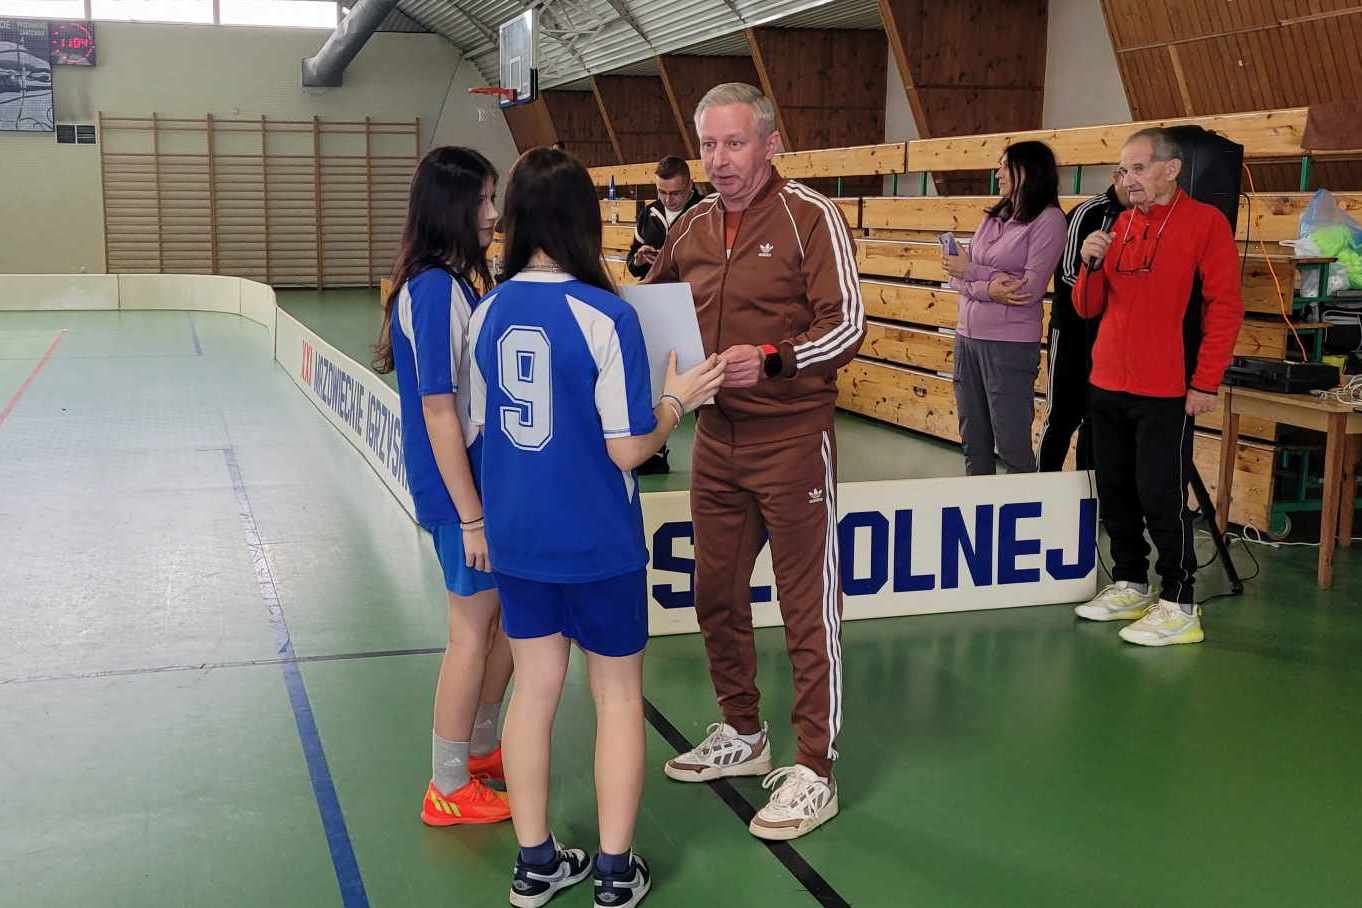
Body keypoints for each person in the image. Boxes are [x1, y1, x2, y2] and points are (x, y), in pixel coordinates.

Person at [468, 147, 724, 908]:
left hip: (518, 539)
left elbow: (481, 429)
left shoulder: (486, 311)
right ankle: (614, 871)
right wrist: (676, 402)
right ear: (584, 218)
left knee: (533, 691)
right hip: (597, 541)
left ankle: (535, 862)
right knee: (616, 698)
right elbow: (628, 448)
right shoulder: (607, 314)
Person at [644, 82, 864, 842]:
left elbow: (849, 326)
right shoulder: (691, 223)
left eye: (734, 143)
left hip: (793, 440)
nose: (719, 160)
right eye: (708, 144)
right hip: (715, 442)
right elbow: (648, 308)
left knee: (807, 609)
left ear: (770, 144)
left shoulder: (812, 216)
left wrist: (772, 358)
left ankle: (816, 769)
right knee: (714, 594)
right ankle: (743, 730)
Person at [372, 146, 513, 828]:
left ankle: (480, 751)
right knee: (470, 633)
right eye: (482, 200)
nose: (493, 213)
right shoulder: (433, 290)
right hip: (462, 496)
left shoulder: (457, 284)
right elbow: (437, 409)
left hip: (479, 490)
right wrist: (472, 515)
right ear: (451, 207)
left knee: (503, 624)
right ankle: (448, 784)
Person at [1073, 127, 1244, 646]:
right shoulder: (1119, 224)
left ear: (1171, 169)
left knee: (1160, 494)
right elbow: (1087, 307)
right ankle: (1131, 580)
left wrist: (1206, 381)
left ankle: (1180, 600)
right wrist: (1089, 263)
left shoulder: (1205, 223)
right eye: (1122, 170)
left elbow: (1225, 307)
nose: (1128, 179)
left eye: (1138, 168)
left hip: (1167, 388)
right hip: (1107, 381)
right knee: (1115, 489)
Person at [942, 141, 1066, 476]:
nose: (998, 173)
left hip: (1008, 346)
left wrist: (970, 274)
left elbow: (1026, 290)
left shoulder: (1050, 220)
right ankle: (977, 502)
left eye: (1005, 165)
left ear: (1030, 170)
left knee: (1011, 442)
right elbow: (956, 274)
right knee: (973, 440)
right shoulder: (993, 215)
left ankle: (1023, 504)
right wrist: (986, 285)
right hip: (966, 338)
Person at [1037, 174, 1131, 471]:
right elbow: (1067, 272)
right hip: (1072, 333)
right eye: (1131, 172)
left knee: (1096, 420)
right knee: (1061, 417)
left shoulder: (1142, 218)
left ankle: (1086, 493)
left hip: (1111, 340)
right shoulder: (1088, 212)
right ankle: (1041, 486)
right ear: (1118, 177)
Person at [626, 156, 706, 475]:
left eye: (675, 193)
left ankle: (710, 456)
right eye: (662, 192)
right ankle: (653, 453)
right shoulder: (649, 213)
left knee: (703, 382)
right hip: (658, 305)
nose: (668, 199)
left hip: (698, 306)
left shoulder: (708, 211)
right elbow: (632, 263)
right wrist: (640, 259)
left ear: (690, 186)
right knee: (653, 378)